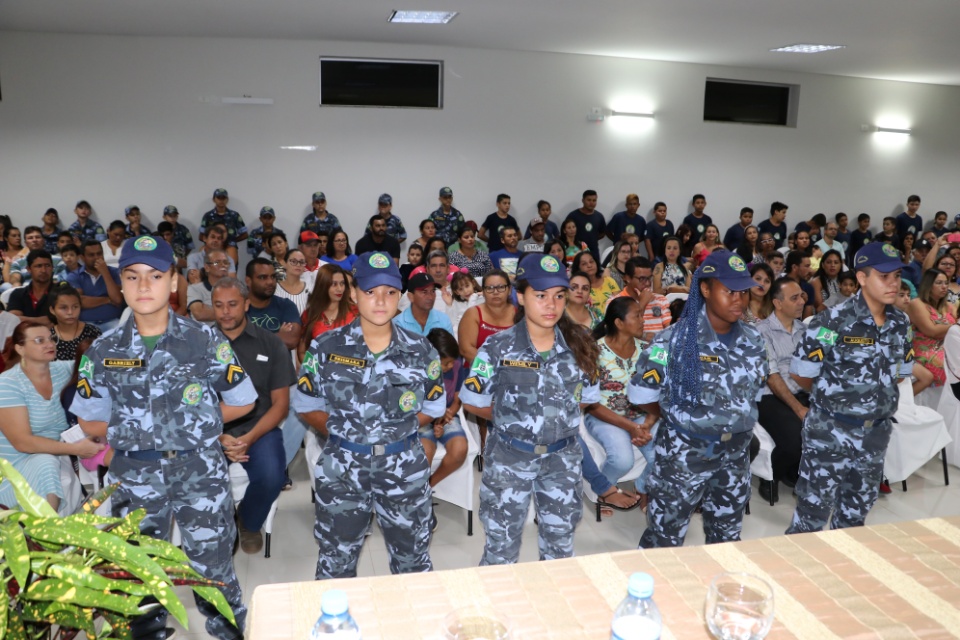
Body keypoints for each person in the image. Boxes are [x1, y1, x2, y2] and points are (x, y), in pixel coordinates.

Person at [71, 235, 257, 640]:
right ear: (120, 284)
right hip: (135, 475)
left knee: (213, 569)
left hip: (199, 470)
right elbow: (90, 423)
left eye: (155, 276)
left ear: (173, 282)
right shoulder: (103, 350)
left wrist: (197, 426)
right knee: (139, 570)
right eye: (132, 276)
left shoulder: (205, 340)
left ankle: (230, 633)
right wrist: (145, 431)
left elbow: (242, 401)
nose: (143, 286)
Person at [294, 251, 446, 578]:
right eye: (370, 292)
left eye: (390, 292)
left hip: (403, 465)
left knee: (413, 563)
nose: (380, 301)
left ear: (400, 295)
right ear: (353, 293)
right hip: (343, 467)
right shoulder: (326, 347)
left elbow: (433, 407)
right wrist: (342, 432)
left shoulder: (421, 350)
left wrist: (395, 430)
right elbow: (306, 403)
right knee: (336, 561)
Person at [460, 253, 600, 565]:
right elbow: (473, 400)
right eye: (540, 296)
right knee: (501, 550)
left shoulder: (581, 344)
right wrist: (515, 421)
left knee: (560, 550)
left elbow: (588, 397)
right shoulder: (497, 347)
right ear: (520, 297)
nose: (551, 305)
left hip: (561, 460)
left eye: (559, 296)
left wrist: (554, 416)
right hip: (510, 459)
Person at [629, 249, 768, 548]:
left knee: (727, 539)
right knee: (664, 538)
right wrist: (674, 413)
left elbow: (752, 393)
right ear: (705, 289)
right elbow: (640, 394)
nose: (738, 299)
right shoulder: (673, 339)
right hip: (684, 456)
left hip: (734, 456)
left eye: (743, 292)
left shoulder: (754, 340)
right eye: (728, 291)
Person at [786, 242, 912, 534]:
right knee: (811, 518)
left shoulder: (900, 322)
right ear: (862, 278)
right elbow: (803, 374)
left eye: (896, 276)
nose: (893, 283)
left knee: (855, 518)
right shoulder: (833, 320)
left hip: (875, 433)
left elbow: (901, 375)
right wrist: (838, 398)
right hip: (831, 432)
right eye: (884, 276)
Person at [212, 278, 296, 554]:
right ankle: (217, 527)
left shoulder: (271, 344)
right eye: (219, 305)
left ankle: (247, 521)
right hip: (210, 430)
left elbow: (281, 405)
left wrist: (249, 438)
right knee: (198, 478)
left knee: (273, 476)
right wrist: (218, 435)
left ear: (246, 305)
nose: (226, 312)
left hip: (259, 427)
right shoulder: (199, 346)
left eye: (233, 304)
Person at [0, 321, 105, 511]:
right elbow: (22, 443)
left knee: (50, 462)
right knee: (46, 463)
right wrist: (75, 449)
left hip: (57, 453)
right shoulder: (7, 384)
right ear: (20, 348)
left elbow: (96, 361)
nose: (50, 344)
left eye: (51, 338)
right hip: (13, 466)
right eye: (40, 340)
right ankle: (47, 534)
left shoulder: (63, 371)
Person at [586, 297, 657, 510]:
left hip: (643, 416)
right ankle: (603, 491)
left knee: (665, 454)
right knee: (622, 460)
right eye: (637, 316)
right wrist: (631, 427)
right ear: (619, 323)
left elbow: (656, 392)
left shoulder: (647, 350)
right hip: (605, 415)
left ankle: (642, 486)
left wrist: (648, 424)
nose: (643, 320)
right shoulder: (594, 352)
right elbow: (590, 403)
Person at [755, 278, 809, 503]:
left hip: (803, 390)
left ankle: (797, 472)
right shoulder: (761, 332)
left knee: (831, 426)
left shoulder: (806, 330)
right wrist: (799, 409)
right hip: (771, 396)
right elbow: (772, 377)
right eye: (794, 298)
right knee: (794, 440)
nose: (801, 302)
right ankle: (772, 476)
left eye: (802, 296)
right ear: (777, 303)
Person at [420, 328, 469, 529]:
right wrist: (433, 421)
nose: (450, 366)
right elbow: (414, 406)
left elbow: (457, 398)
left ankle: (427, 487)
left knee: (459, 450)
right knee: (425, 452)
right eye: (445, 363)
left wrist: (445, 416)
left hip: (448, 414)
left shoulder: (456, 366)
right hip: (422, 419)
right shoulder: (417, 369)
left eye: (452, 362)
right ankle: (422, 504)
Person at [907, 268, 955, 387]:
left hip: (947, 347)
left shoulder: (949, 306)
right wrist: (955, 326)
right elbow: (931, 331)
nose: (944, 286)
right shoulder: (916, 303)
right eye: (939, 283)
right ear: (928, 285)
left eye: (946, 283)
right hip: (925, 351)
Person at [605, 257, 671, 342]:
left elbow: (670, 332)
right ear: (628, 278)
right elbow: (618, 335)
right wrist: (642, 303)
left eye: (649, 278)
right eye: (642, 279)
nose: (647, 283)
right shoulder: (614, 302)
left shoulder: (661, 299)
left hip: (658, 350)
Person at [299, 264, 357, 358]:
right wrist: (315, 370)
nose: (339, 289)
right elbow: (302, 351)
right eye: (334, 284)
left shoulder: (356, 312)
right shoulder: (309, 314)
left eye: (342, 283)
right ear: (323, 285)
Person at [66, 240, 123, 333]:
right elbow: (78, 302)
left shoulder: (115, 272)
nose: (96, 257)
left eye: (99, 253)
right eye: (91, 255)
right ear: (82, 257)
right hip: (85, 324)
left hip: (113, 322)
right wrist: (107, 300)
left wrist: (105, 273)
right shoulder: (74, 276)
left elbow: (117, 300)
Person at [245, 259, 302, 351]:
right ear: (248, 281)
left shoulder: (286, 306)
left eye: (273, 277)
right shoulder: (239, 308)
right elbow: (238, 344)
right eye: (263, 277)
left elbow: (291, 340)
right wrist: (279, 335)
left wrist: (252, 340)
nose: (270, 282)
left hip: (279, 365)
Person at [47, 285, 102, 361]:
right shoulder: (48, 337)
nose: (70, 312)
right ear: (52, 310)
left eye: (75, 307)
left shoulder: (92, 333)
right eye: (64, 308)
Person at [199, 188, 247, 266]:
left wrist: (231, 241)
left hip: (230, 250)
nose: (221, 200)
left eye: (223, 198)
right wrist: (212, 243)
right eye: (219, 198)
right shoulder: (207, 216)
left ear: (227, 200)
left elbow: (245, 234)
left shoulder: (234, 215)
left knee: (230, 271)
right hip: (212, 250)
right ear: (214, 199)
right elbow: (201, 236)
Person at [8, 250, 56, 326]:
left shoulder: (61, 292)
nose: (43, 270)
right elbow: (13, 321)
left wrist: (24, 319)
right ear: (29, 269)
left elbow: (61, 320)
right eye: (38, 266)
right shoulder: (18, 294)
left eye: (47, 266)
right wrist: (42, 320)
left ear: (52, 268)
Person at [187, 249, 231, 325]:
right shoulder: (194, 289)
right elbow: (199, 314)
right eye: (217, 262)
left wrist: (209, 309)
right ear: (207, 267)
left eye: (225, 262)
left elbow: (242, 311)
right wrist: (232, 312)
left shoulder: (235, 289)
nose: (223, 265)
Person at [572, 250, 620, 315]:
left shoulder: (609, 281)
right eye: (584, 264)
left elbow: (619, 303)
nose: (589, 265)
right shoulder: (579, 289)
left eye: (591, 262)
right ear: (578, 268)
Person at [564, 189, 606, 262]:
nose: (591, 203)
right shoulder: (573, 216)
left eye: (594, 200)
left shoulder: (599, 216)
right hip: (575, 252)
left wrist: (592, 238)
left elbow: (602, 233)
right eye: (589, 200)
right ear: (583, 200)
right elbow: (565, 231)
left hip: (594, 252)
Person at [275, 248, 311, 318]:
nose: (298, 265)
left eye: (302, 262)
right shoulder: (275, 289)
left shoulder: (311, 288)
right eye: (293, 261)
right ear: (284, 263)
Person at [161, 205, 194, 270]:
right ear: (164, 217)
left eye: (175, 216)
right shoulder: (161, 229)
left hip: (179, 263)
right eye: (170, 216)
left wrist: (182, 256)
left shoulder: (183, 229)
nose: (173, 218)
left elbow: (190, 246)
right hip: (165, 263)